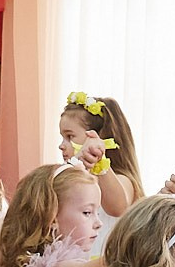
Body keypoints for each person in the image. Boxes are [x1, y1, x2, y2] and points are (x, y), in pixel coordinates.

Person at [60, 89, 144, 217]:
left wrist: (98, 161)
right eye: (63, 137)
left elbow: (117, 208)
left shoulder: (124, 180)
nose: (61, 146)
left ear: (98, 137)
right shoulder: (73, 180)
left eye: (70, 136)